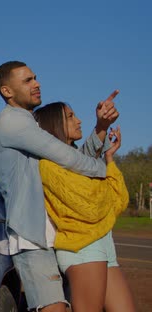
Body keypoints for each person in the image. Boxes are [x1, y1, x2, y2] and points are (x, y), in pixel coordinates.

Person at [0, 60, 118, 311]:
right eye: (27, 81)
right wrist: (108, 174)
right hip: (32, 238)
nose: (37, 84)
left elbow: (67, 164)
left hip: (56, 234)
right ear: (7, 91)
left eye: (35, 78)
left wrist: (100, 130)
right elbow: (67, 157)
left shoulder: (30, 123)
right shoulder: (11, 122)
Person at [34, 102, 135, 312]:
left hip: (104, 241)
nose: (78, 120)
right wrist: (105, 186)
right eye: (70, 116)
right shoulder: (48, 165)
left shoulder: (76, 161)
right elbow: (91, 207)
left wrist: (109, 159)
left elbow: (120, 200)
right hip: (82, 246)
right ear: (54, 125)